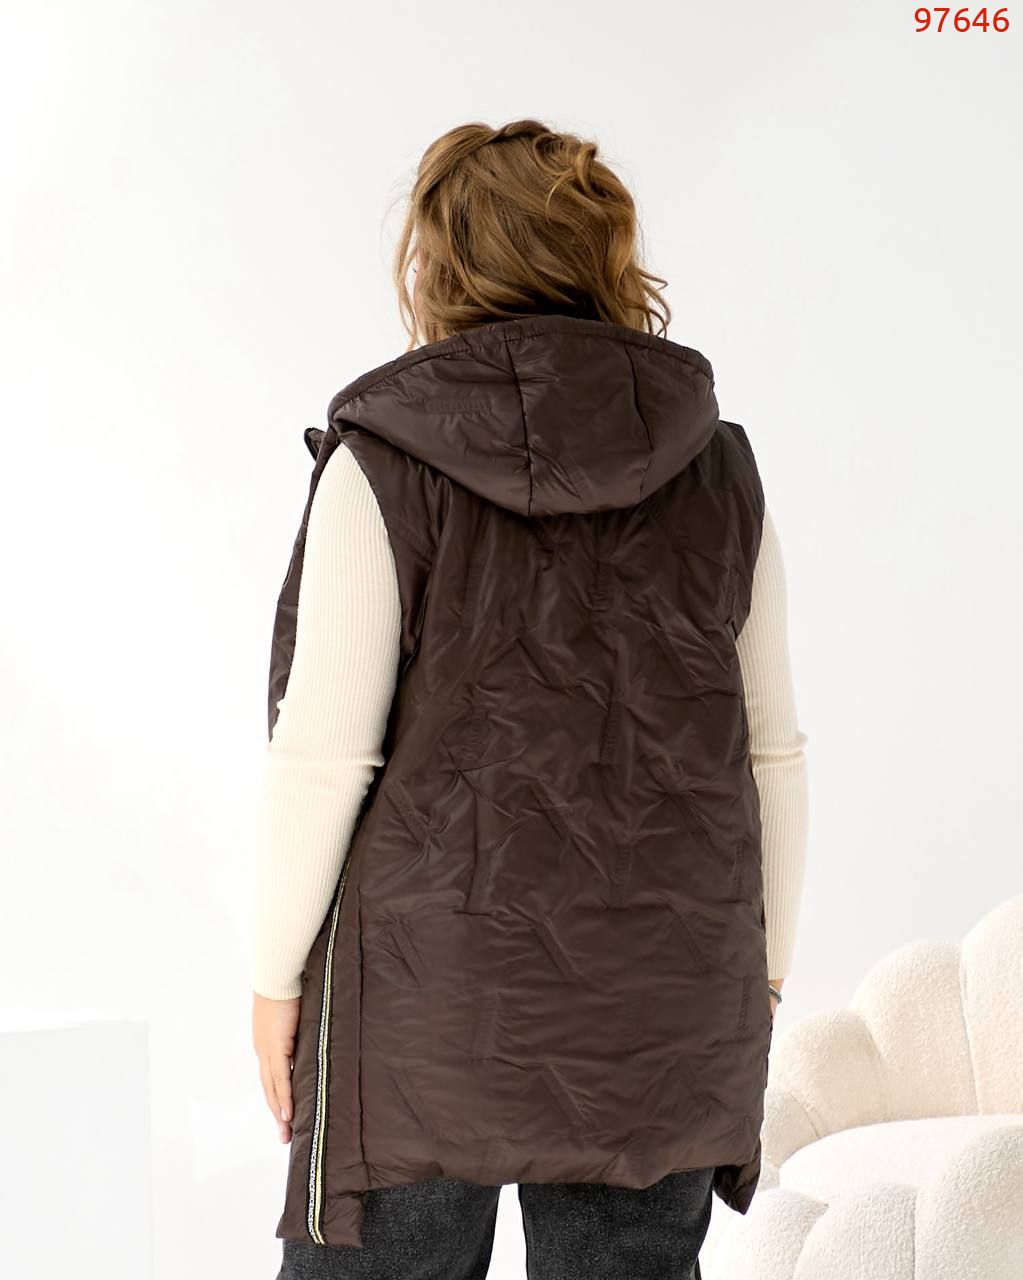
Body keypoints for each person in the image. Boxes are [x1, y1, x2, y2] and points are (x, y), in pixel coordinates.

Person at [251, 118, 809, 1280]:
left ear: (441, 266)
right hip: (663, 988)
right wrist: (765, 964)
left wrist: (274, 973)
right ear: (607, 259)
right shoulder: (718, 470)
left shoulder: (383, 462)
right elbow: (770, 752)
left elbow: (325, 757)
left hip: (423, 997)